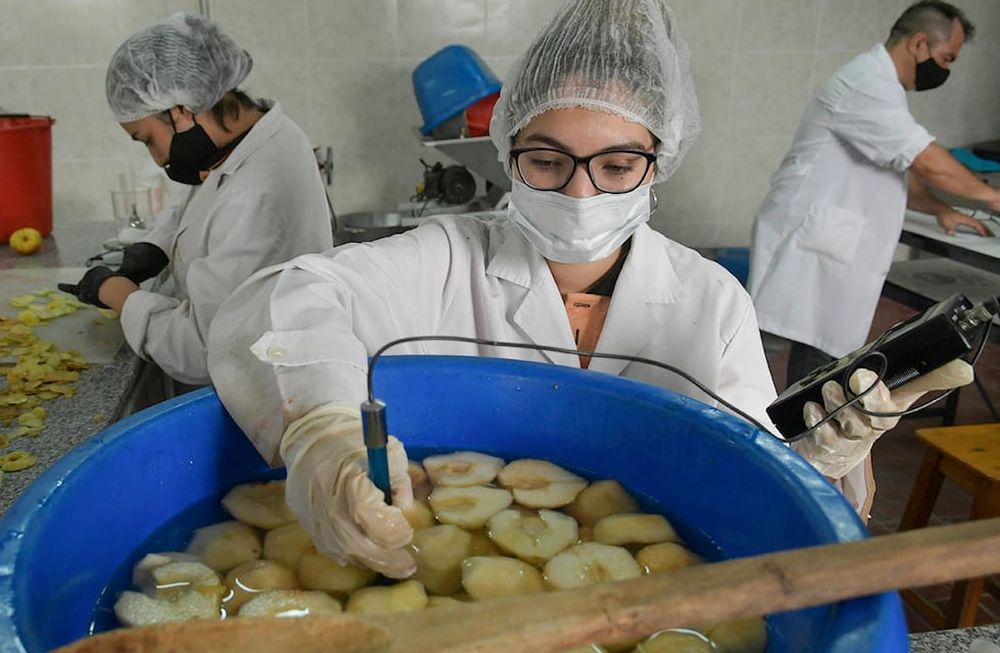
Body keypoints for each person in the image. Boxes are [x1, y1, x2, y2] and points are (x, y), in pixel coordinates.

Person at [207, 0, 971, 579]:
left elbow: (756, 498)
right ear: (506, 152)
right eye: (547, 161)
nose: (579, 193)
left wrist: (823, 455)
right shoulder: (447, 256)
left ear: (658, 160)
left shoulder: (708, 301)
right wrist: (324, 435)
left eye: (614, 166)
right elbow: (281, 299)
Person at [60, 13, 333, 386]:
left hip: (261, 390)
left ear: (181, 110)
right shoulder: (245, 139)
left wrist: (120, 295)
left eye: (147, 139)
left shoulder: (256, 195)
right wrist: (156, 247)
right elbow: (197, 195)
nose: (157, 159)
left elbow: (204, 351)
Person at [748, 1, 1000, 385]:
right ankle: (723, 429)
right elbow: (927, 160)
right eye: (947, 58)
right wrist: (993, 198)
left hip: (835, 247)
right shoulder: (867, 84)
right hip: (809, 244)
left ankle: (799, 436)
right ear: (919, 44)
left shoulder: (884, 88)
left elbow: (895, 163)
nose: (946, 69)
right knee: (755, 353)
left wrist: (939, 209)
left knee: (819, 359)